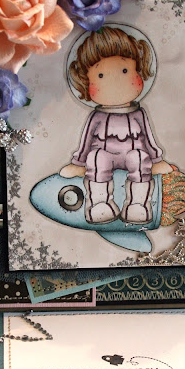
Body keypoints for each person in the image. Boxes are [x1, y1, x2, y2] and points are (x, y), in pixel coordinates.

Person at [60, 26, 172, 224]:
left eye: (125, 71)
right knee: (96, 158)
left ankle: (138, 205)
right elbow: (86, 142)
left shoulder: (138, 114)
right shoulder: (97, 117)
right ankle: (100, 204)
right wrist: (78, 163)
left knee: (139, 158)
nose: (115, 81)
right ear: (86, 82)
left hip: (133, 154)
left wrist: (156, 159)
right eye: (100, 76)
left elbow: (148, 138)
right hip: (105, 155)